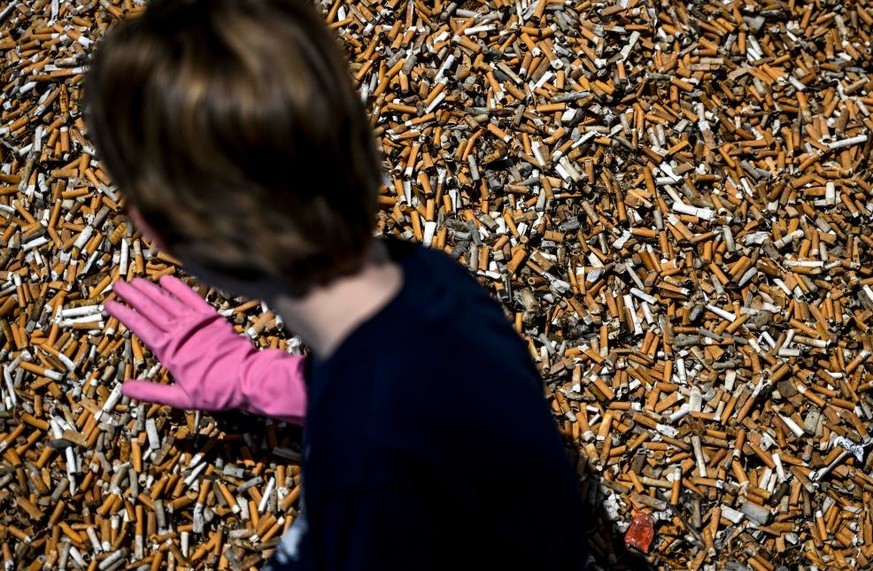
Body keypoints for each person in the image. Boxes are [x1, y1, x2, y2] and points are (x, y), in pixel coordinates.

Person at [84, 0, 588, 569]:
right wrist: (253, 379)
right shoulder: (425, 277)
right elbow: (407, 392)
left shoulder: (368, 484)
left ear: (156, 231)